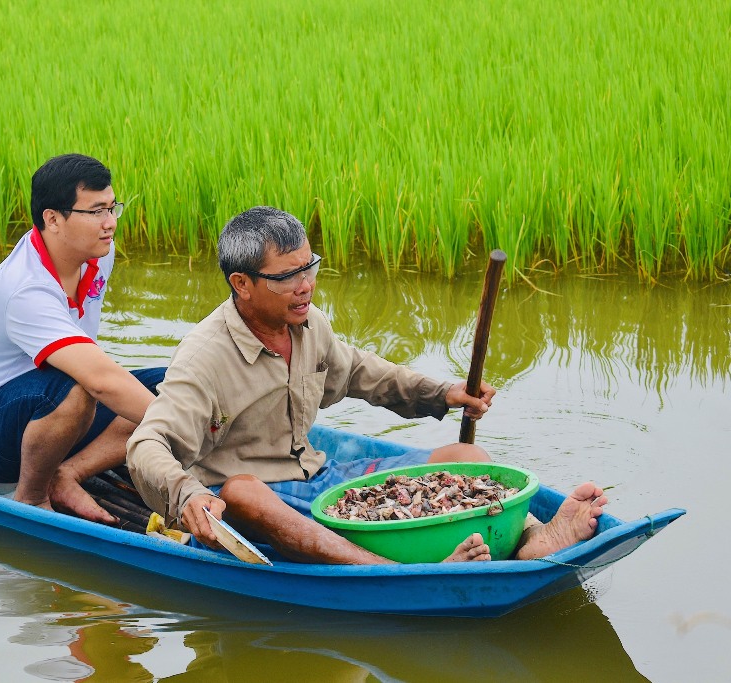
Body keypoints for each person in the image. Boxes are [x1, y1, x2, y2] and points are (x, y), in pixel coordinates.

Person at [127, 206, 608, 564]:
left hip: (319, 475)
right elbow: (146, 444)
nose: (306, 286)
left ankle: (531, 536)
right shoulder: (204, 356)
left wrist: (442, 393)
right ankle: (385, 572)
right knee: (241, 491)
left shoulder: (308, 323)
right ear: (242, 283)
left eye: (309, 267)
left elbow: (361, 373)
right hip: (260, 504)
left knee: (469, 460)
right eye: (288, 277)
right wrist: (186, 496)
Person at [0, 153, 164, 524]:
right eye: (96, 212)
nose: (110, 224)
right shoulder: (25, 288)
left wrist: (181, 408)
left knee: (173, 386)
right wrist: (178, 429)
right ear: (53, 219)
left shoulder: (95, 253)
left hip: (57, 415)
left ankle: (68, 474)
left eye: (112, 208)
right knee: (79, 385)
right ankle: (32, 497)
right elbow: (101, 379)